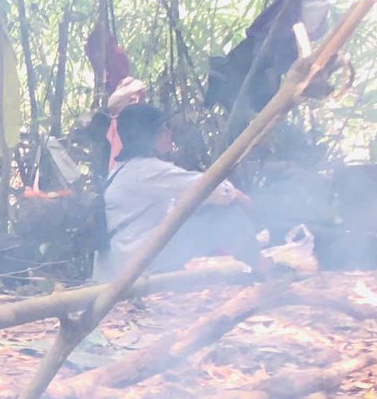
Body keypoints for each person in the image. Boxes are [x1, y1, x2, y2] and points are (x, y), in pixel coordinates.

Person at [94, 104, 260, 280]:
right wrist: (238, 196)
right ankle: (262, 266)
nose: (169, 133)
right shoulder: (145, 170)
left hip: (127, 258)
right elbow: (206, 187)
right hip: (141, 263)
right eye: (163, 129)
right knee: (223, 214)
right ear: (150, 136)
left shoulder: (122, 170)